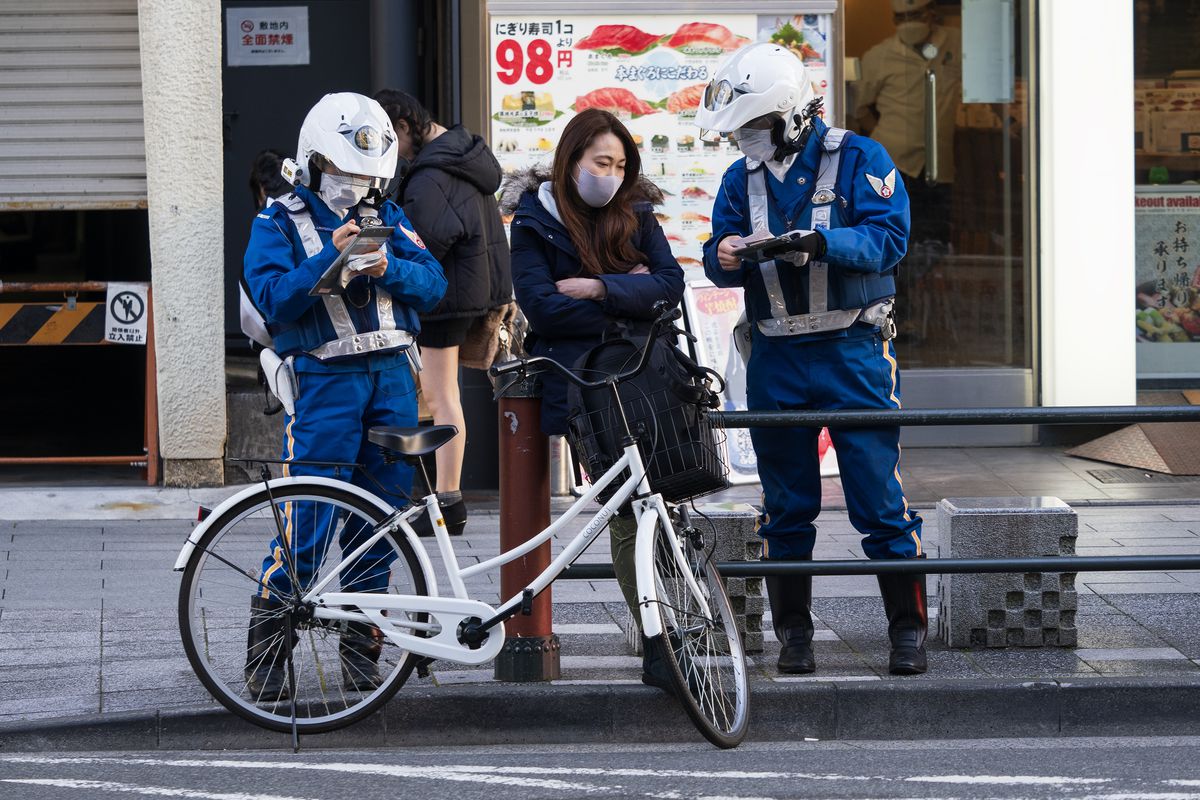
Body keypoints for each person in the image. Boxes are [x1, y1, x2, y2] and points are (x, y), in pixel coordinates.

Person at [695, 42, 928, 676]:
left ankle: (907, 632)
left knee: (877, 498)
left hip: (852, 348)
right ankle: (794, 636)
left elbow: (890, 238)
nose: (745, 140)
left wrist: (821, 242)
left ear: (793, 114)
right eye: (740, 130)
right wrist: (730, 251)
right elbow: (715, 251)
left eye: (755, 126)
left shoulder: (861, 157)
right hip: (776, 352)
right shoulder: (738, 177)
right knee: (786, 503)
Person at [241, 92, 447, 699]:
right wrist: (328, 260)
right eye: (343, 172)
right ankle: (268, 654)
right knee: (309, 520)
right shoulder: (277, 221)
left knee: (379, 524)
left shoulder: (391, 218)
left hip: (392, 379)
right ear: (313, 163)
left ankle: (363, 651)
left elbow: (434, 286)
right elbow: (271, 299)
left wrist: (391, 269)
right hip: (325, 383)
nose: (356, 185)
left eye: (368, 175)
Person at [502, 108, 685, 690]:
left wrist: (597, 286)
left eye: (621, 164)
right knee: (625, 504)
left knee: (657, 501)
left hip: (646, 374)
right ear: (571, 160)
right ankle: (656, 639)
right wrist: (628, 293)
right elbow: (540, 306)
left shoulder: (635, 210)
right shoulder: (534, 219)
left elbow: (671, 286)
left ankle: (667, 627)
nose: (611, 174)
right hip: (583, 386)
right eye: (601, 162)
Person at [373, 89, 513, 537]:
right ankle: (445, 497)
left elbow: (426, 241)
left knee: (439, 396)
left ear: (402, 127)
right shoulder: (463, 155)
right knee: (443, 393)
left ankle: (446, 500)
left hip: (445, 295)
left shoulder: (432, 174)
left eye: (386, 139)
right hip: (470, 289)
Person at [854, 0, 962, 333]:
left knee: (935, 242)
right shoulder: (878, 56)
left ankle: (907, 308)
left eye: (914, 15)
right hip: (894, 165)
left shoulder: (956, 43)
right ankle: (900, 314)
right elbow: (860, 111)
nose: (908, 23)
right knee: (893, 243)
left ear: (932, 14)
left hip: (937, 165)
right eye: (900, 17)